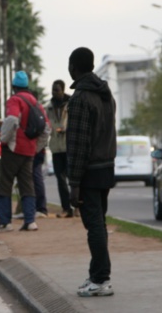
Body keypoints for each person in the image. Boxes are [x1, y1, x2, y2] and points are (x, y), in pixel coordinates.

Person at [66, 47, 116, 297]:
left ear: (74, 67)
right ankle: (97, 274)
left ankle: (101, 279)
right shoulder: (106, 95)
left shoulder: (80, 99)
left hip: (89, 172)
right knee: (99, 224)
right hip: (106, 168)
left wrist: (74, 183)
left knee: (94, 225)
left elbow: (77, 145)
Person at [0, 71, 50, 232]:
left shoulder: (15, 100)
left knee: (5, 184)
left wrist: (4, 139)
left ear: (14, 86)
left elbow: (11, 120)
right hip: (29, 152)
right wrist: (37, 147)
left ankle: (5, 222)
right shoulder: (36, 103)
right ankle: (30, 221)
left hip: (13, 149)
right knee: (27, 185)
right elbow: (46, 128)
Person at [46, 79, 74, 218]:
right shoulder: (49, 107)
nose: (54, 92)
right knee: (60, 179)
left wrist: (66, 129)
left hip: (69, 146)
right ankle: (66, 208)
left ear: (63, 90)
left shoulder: (71, 103)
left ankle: (77, 206)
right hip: (56, 148)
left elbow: (75, 122)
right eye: (53, 89)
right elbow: (47, 125)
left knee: (73, 178)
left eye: (56, 89)